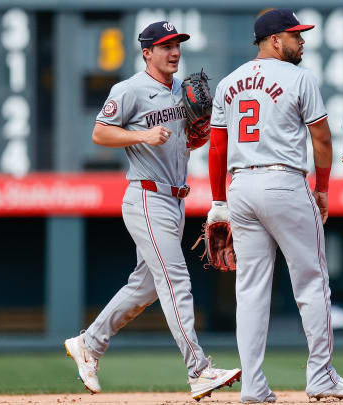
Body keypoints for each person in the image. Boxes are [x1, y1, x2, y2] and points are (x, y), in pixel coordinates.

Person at [63, 21, 240, 401]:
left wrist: (196, 137)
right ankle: (199, 371)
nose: (174, 51)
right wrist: (141, 134)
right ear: (147, 52)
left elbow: (184, 144)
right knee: (176, 280)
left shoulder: (182, 90)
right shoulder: (129, 90)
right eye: (164, 46)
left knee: (144, 287)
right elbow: (100, 132)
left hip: (175, 199)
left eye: (176, 45)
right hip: (145, 196)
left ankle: (89, 343)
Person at [207, 8, 343, 403]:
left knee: (251, 291)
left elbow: (218, 148)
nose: (302, 40)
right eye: (295, 35)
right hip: (283, 182)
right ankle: (322, 377)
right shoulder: (300, 78)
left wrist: (218, 202)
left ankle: (252, 386)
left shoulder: (228, 83)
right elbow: (323, 140)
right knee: (312, 282)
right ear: (274, 40)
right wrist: (323, 187)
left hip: (240, 186)